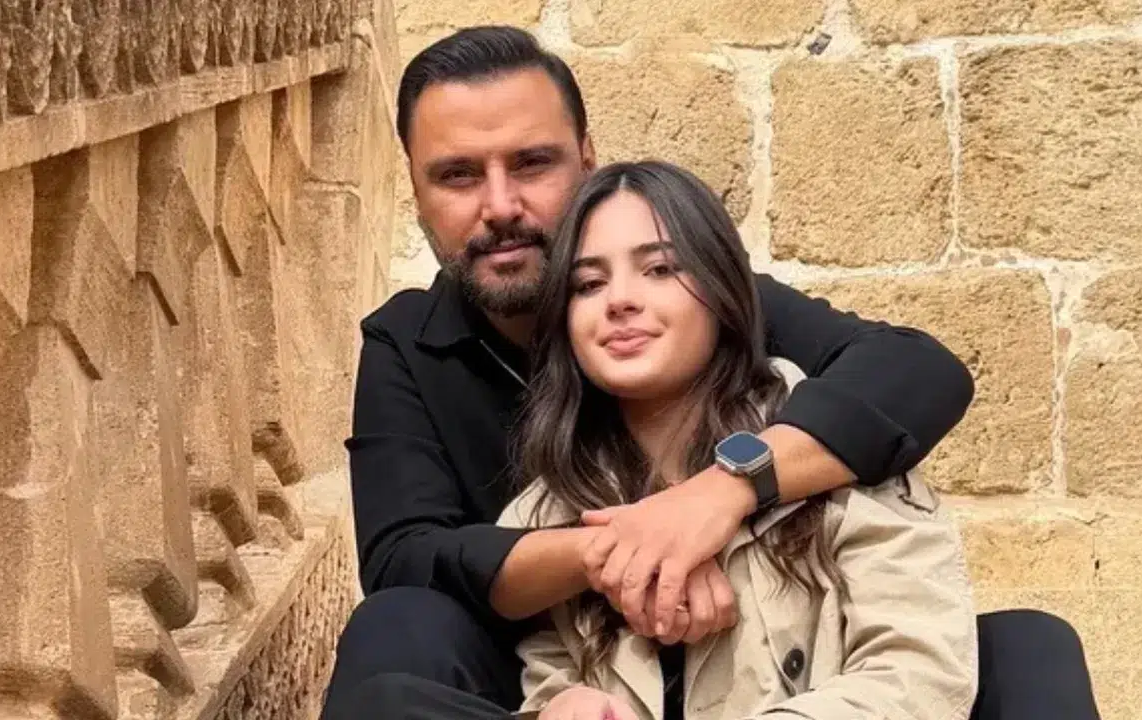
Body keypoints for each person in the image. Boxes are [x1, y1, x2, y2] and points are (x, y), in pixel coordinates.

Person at [319, 25, 1100, 720]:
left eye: (532, 163)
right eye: (457, 175)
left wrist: (721, 494)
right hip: (526, 668)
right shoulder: (419, 359)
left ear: (586, 162)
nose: (500, 205)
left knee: (1028, 650)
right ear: (415, 192)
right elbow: (404, 561)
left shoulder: (718, 312)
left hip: (803, 687)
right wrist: (624, 550)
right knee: (396, 635)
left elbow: (916, 372)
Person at [495, 159, 979, 720]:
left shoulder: (839, 457)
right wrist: (564, 705)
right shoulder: (545, 515)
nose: (619, 299)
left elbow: (920, 675)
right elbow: (547, 671)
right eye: (588, 284)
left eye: (659, 269)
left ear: (722, 289)